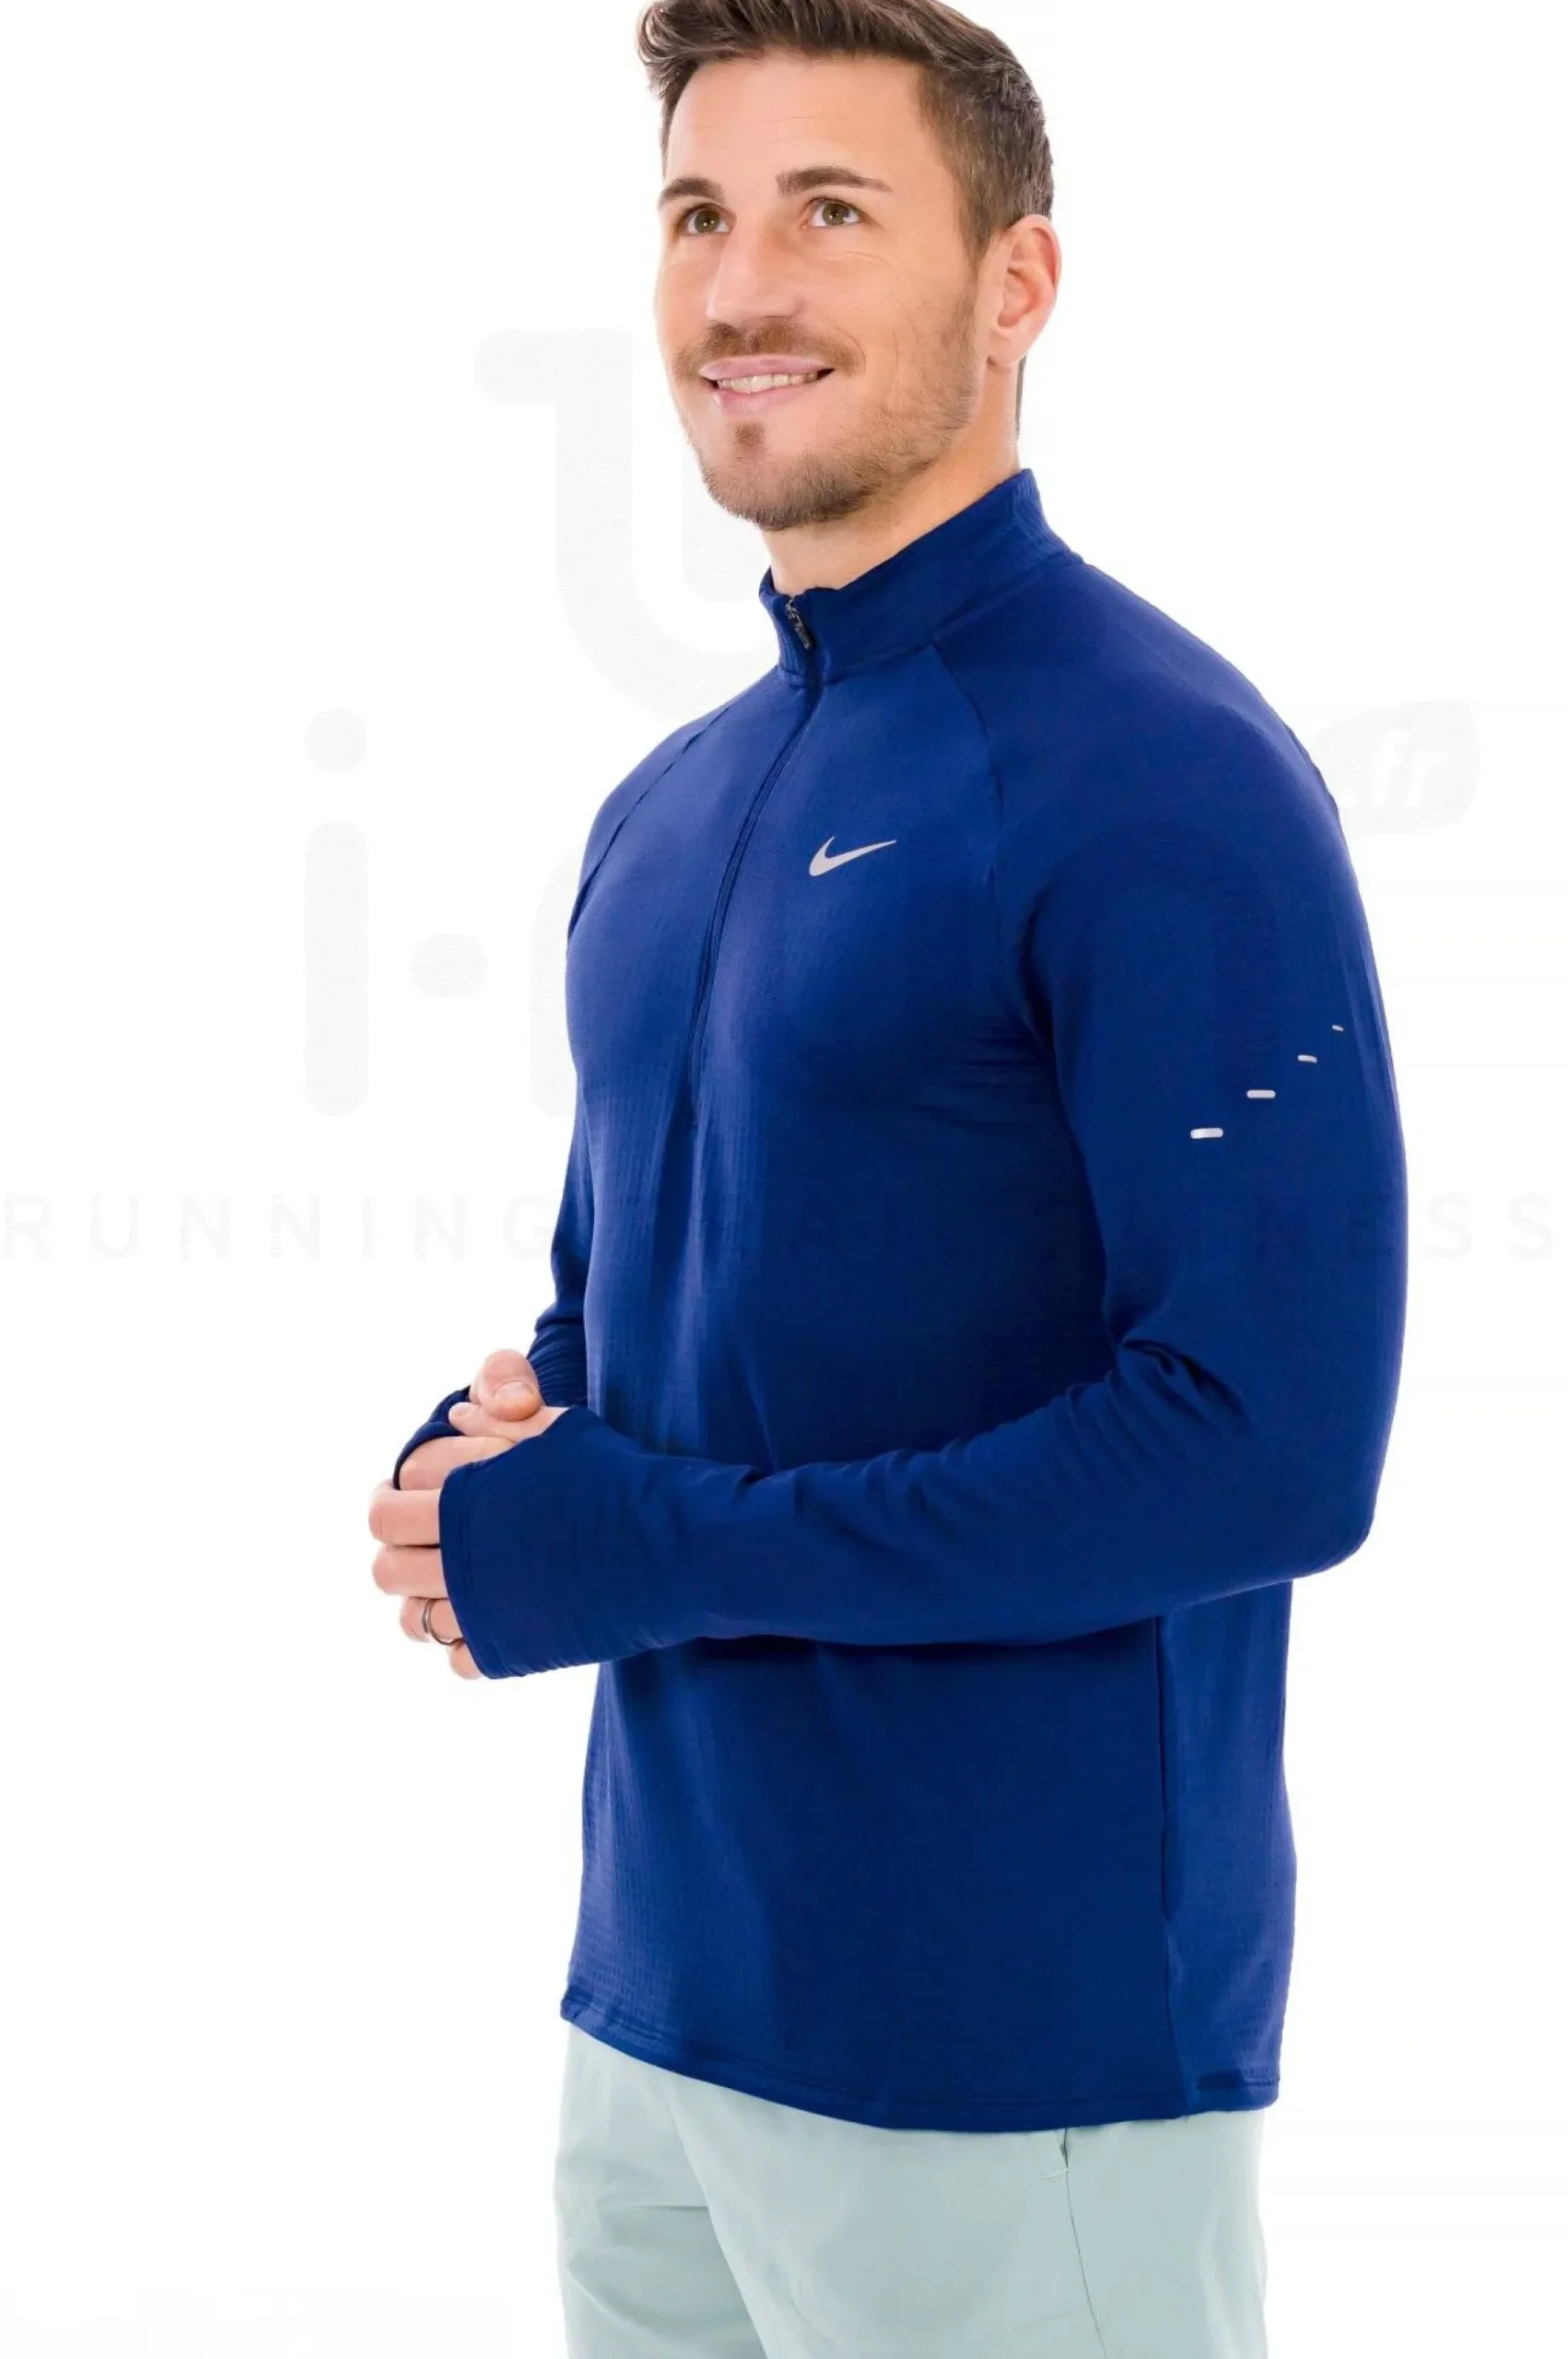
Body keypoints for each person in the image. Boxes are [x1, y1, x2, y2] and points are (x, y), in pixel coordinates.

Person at [366, 4, 1408, 2351]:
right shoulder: (665, 806)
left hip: (1008, 2057)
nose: (742, 287)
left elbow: (1264, 1446)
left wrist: (640, 1540)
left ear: (1014, 283)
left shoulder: (1166, 779)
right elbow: (644, 1321)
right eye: (696, 216)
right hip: (653, 2013)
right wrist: (510, 1447)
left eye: (829, 213)